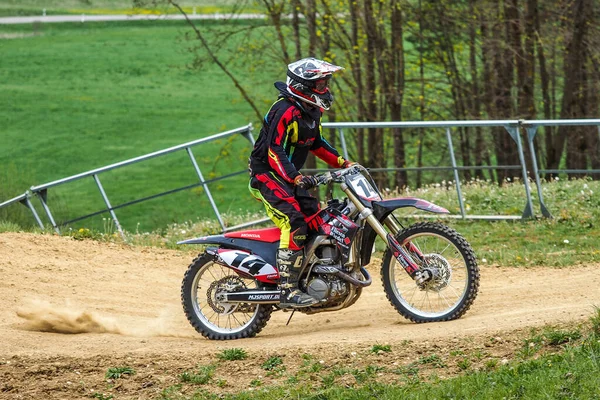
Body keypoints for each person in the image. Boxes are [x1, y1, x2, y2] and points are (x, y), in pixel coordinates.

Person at [248, 57, 354, 309]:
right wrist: (295, 177)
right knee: (294, 222)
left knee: (317, 217)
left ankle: (315, 274)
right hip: (267, 175)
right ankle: (287, 289)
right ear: (303, 87)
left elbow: (316, 143)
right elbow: (274, 151)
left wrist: (344, 163)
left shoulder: (311, 111)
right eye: (319, 84)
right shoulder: (283, 110)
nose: (325, 89)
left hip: (290, 175)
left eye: (325, 83)